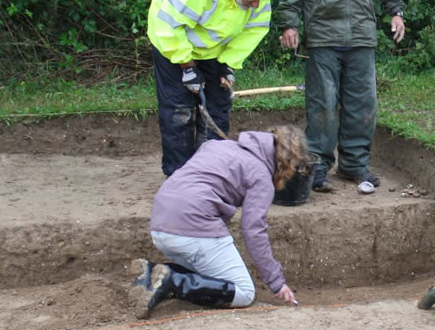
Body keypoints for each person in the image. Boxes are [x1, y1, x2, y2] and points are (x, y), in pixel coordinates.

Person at [277, 0, 405, 190]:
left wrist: (396, 11)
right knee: (322, 105)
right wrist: (289, 23)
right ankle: (317, 168)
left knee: (362, 104)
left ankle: (354, 164)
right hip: (323, 35)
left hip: (361, 33)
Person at [130, 125, 307, 319]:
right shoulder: (261, 176)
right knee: (244, 292)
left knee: (213, 279)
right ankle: (172, 281)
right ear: (287, 161)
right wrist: (276, 282)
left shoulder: (216, 146)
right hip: (193, 226)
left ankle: (153, 272)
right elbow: (254, 230)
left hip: (160, 225)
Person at [146, 0, 275, 176]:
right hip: (170, 42)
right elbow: (169, 25)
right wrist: (187, 66)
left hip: (214, 51)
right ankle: (179, 175)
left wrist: (228, 64)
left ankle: (212, 172)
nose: (255, 4)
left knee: (217, 107)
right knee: (179, 110)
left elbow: (254, 30)